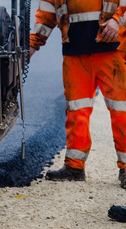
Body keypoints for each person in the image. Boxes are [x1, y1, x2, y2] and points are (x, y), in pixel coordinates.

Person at [30, 0, 126, 188]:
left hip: (112, 50)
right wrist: (33, 43)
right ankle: (74, 167)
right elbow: (47, 12)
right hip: (75, 52)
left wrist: (117, 20)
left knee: (121, 110)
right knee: (76, 110)